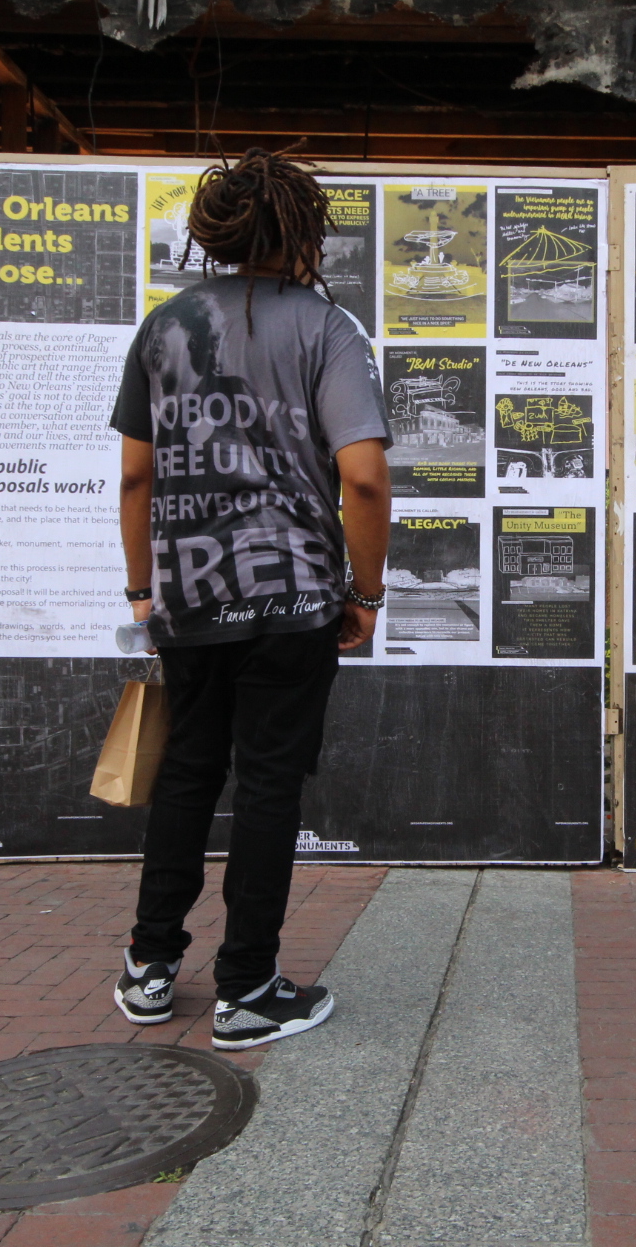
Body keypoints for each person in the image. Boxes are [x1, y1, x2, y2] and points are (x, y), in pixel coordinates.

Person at [108, 148, 391, 1051]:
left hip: (188, 599)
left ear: (216, 234)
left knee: (187, 774)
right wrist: (366, 592)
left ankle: (150, 967)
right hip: (293, 601)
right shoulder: (328, 330)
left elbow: (134, 479)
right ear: (303, 230)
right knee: (268, 784)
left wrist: (144, 593)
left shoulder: (162, 328)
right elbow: (367, 481)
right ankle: (248, 988)